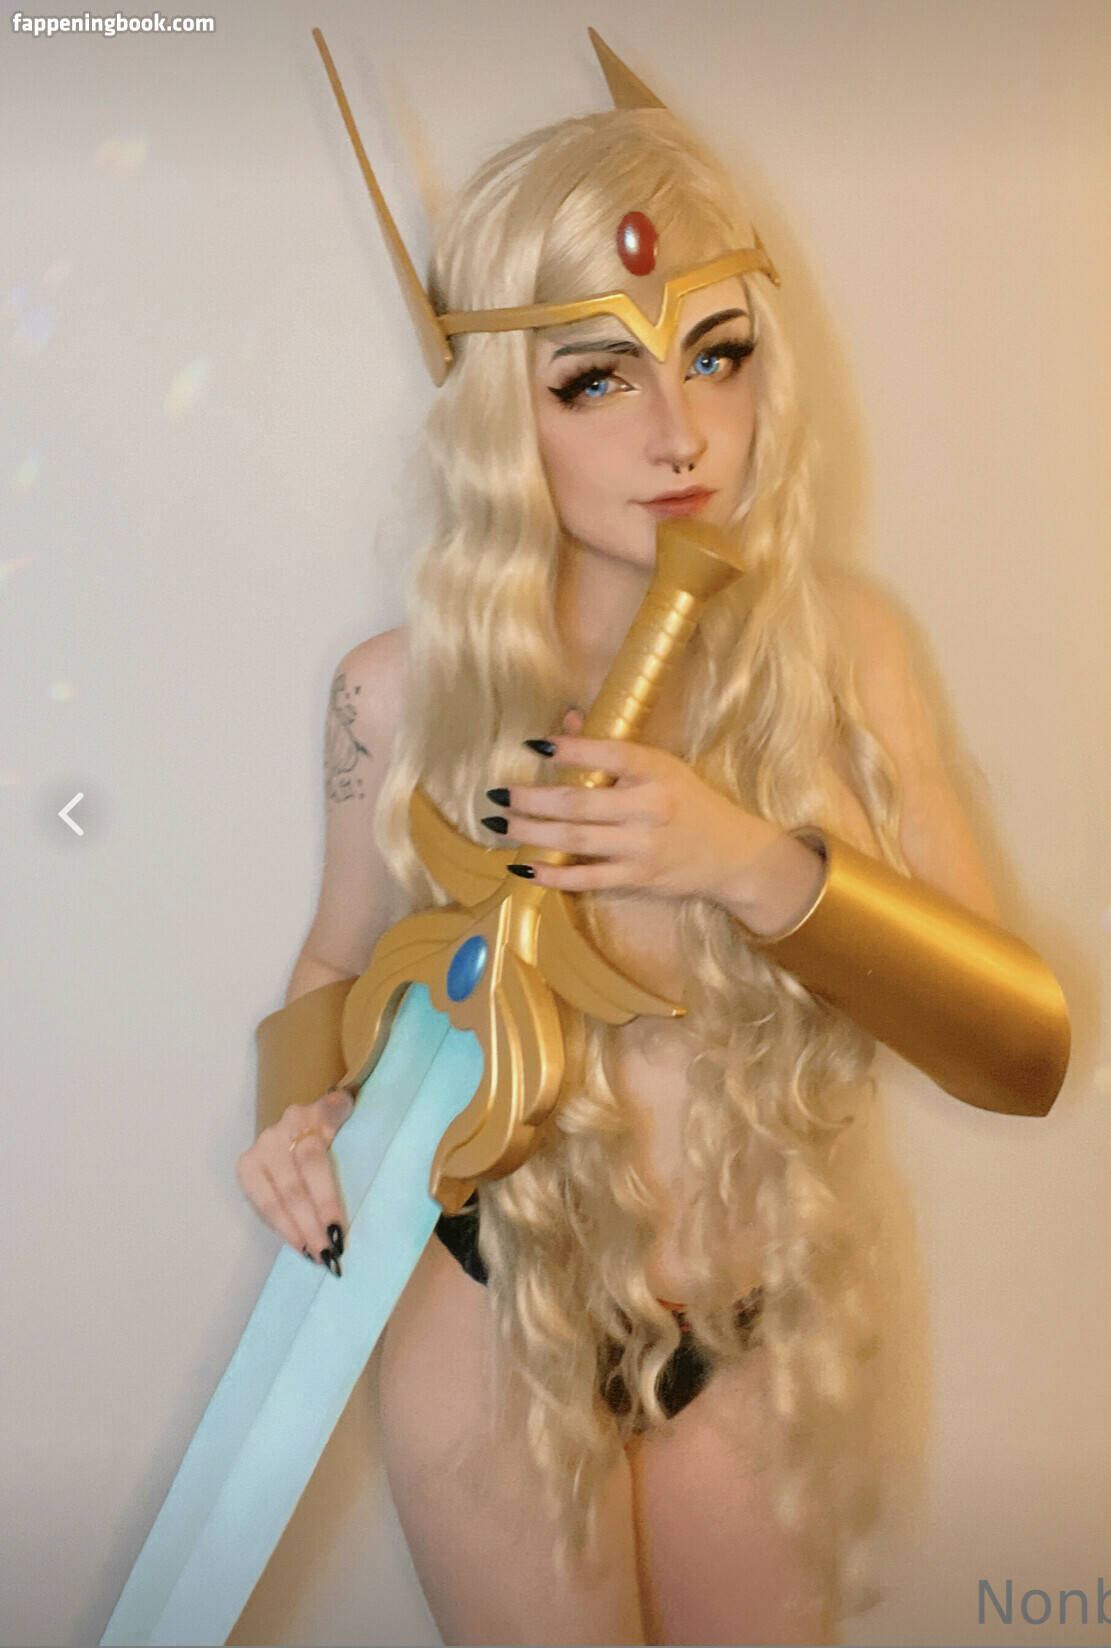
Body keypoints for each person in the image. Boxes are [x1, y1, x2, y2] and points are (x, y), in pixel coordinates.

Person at [236, 38, 1056, 1647]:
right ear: (502, 412)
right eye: (596, 378)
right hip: (491, 1315)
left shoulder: (844, 653)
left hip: (753, 1329)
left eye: (718, 355)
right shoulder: (393, 693)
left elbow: (1018, 1052)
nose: (680, 433)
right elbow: (338, 961)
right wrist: (296, 1113)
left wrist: (745, 861)